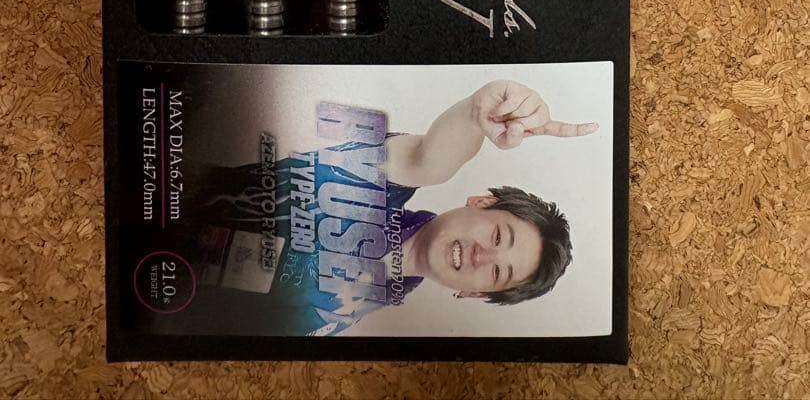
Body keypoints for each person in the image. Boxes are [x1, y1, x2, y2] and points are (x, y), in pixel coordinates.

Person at [184, 79, 597, 336]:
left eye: (496, 273)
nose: (481, 256)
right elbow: (427, 160)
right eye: (497, 236)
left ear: (475, 292)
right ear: (481, 202)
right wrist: (478, 112)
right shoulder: (382, 184)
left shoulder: (358, 310)